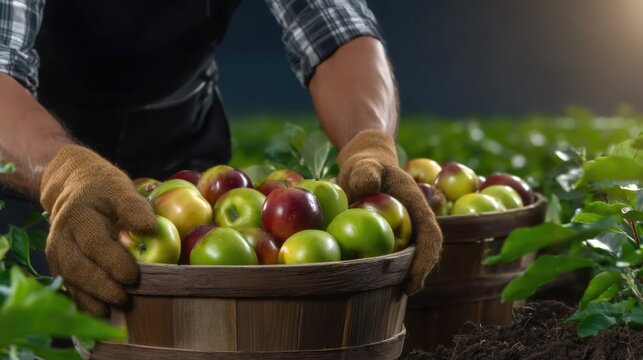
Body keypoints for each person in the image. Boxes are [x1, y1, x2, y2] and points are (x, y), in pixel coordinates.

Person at [0, 0, 442, 315]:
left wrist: (369, 143)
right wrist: (64, 175)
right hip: (31, 151)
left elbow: (335, 25)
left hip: (185, 155)